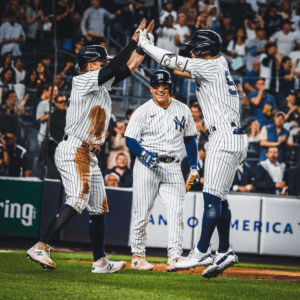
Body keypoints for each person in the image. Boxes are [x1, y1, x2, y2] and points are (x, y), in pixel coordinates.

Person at [26, 19, 153, 274]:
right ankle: (40, 245)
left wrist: (143, 46)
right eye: (99, 62)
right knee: (77, 200)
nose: (103, 65)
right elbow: (116, 65)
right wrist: (132, 41)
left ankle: (100, 261)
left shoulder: (100, 83)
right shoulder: (81, 80)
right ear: (89, 65)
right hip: (75, 148)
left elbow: (127, 68)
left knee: (98, 208)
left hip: (89, 153)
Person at [137, 29, 248, 278]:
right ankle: (224, 250)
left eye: (194, 47)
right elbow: (179, 68)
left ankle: (200, 251)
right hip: (235, 136)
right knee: (220, 198)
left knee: (211, 197)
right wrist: (153, 50)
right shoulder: (219, 63)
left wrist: (145, 45)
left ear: (204, 49)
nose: (191, 50)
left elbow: (172, 61)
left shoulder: (210, 67)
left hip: (224, 137)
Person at [124, 69, 198, 271]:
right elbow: (130, 139)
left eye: (165, 87)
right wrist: (143, 153)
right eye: (157, 86)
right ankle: (138, 256)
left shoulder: (183, 109)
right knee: (141, 211)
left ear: (170, 89)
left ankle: (174, 255)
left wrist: (194, 166)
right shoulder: (142, 111)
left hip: (173, 165)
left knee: (176, 211)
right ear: (151, 88)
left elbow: (190, 138)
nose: (161, 90)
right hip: (148, 165)